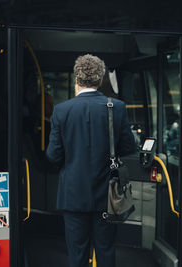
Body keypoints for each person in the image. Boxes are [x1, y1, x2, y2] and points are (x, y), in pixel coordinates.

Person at [46, 54, 135, 267]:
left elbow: (52, 155)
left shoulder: (61, 110)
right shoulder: (117, 107)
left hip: (73, 196)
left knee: (77, 255)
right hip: (107, 194)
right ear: (100, 80)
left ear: (77, 80)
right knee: (105, 250)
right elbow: (129, 147)